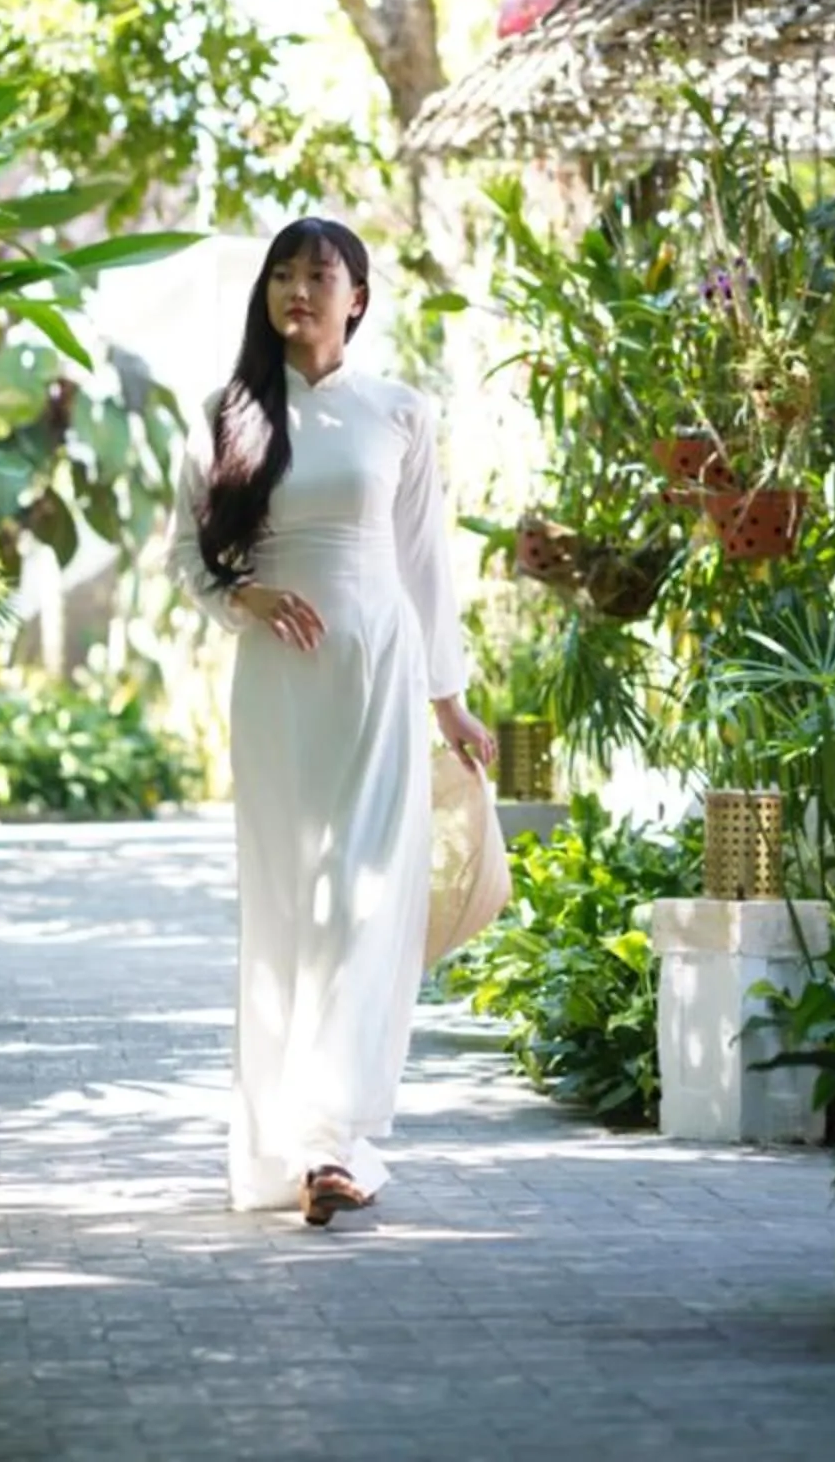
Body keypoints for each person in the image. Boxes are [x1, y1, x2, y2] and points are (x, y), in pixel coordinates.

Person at [167, 215, 496, 1225]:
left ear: (358, 298)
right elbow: (186, 557)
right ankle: (293, 1141)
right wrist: (244, 596)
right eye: (282, 274)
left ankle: (331, 1144)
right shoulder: (226, 414)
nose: (297, 291)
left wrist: (449, 701)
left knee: (365, 901)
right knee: (290, 905)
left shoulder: (400, 412)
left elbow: (425, 564)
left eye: (319, 274)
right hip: (279, 687)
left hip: (379, 680)